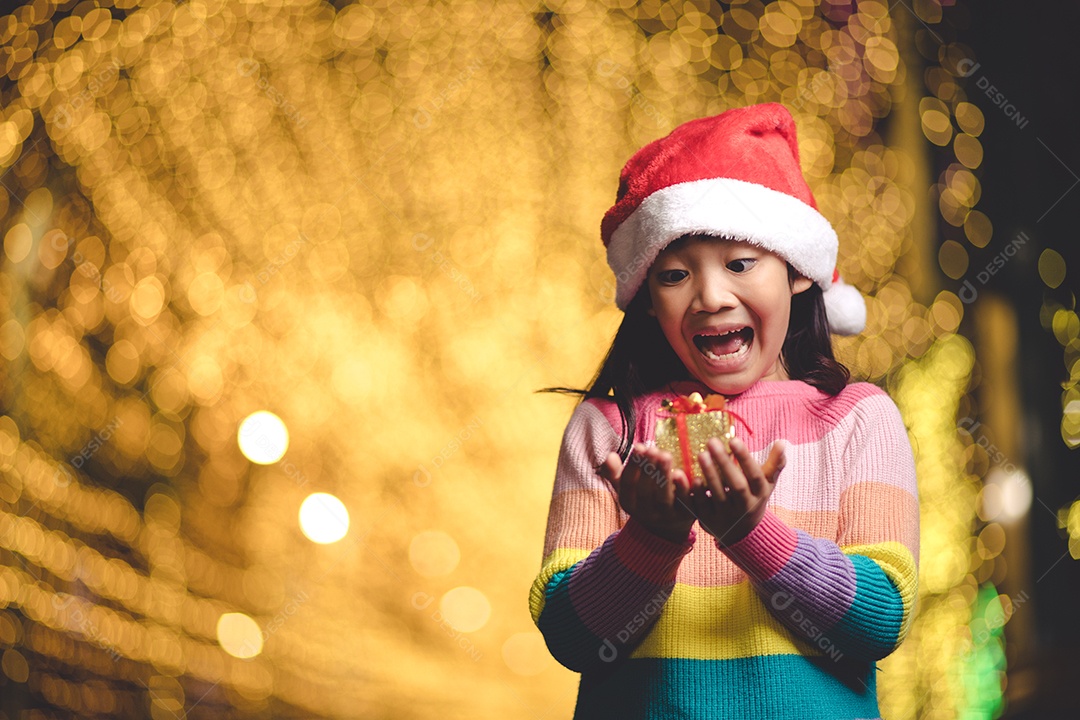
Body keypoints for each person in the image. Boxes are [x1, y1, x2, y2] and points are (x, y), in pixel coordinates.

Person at [529, 103, 919, 719]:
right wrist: (651, 536)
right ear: (647, 299)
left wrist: (750, 532)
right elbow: (574, 640)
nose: (711, 296)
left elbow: (881, 621)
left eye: (741, 264)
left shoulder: (858, 419)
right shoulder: (608, 431)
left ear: (795, 272)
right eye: (675, 274)